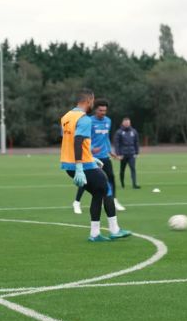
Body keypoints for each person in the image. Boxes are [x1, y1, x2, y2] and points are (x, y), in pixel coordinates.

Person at [60, 89, 131, 242]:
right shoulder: (84, 119)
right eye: (93, 101)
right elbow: (78, 141)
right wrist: (81, 165)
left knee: (98, 194)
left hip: (69, 164)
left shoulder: (66, 117)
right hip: (82, 165)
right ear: (89, 100)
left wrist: (90, 157)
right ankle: (114, 230)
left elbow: (70, 142)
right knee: (107, 189)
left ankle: (95, 234)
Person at [72, 99, 126, 214]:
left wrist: (110, 151)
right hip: (90, 157)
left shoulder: (108, 121)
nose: (103, 113)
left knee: (111, 177)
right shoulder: (88, 121)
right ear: (96, 110)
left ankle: (114, 201)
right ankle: (77, 202)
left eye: (105, 110)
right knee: (86, 180)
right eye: (101, 110)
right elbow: (82, 138)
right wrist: (91, 149)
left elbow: (106, 138)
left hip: (104, 155)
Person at [114, 117, 141, 189]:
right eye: (125, 122)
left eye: (128, 122)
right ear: (123, 123)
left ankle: (134, 184)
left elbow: (136, 142)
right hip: (123, 154)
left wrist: (137, 152)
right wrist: (118, 154)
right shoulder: (119, 132)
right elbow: (117, 144)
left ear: (130, 123)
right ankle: (122, 184)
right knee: (122, 170)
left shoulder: (134, 131)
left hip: (132, 154)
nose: (126, 124)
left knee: (133, 169)